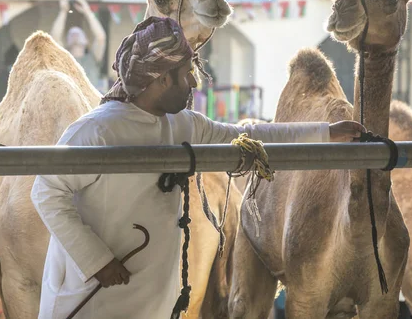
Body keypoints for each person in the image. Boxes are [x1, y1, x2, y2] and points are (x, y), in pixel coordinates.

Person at [31, 17, 365, 319]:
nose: (194, 82)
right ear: (162, 78)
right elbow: (45, 192)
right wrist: (96, 261)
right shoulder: (96, 131)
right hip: (92, 300)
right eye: (187, 73)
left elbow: (247, 135)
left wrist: (325, 132)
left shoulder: (181, 124)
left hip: (149, 299)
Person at [51, 0, 107, 91]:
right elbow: (55, 38)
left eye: (79, 33)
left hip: (90, 104)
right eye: (71, 34)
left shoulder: (93, 59)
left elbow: (100, 38)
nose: (75, 35)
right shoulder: (64, 58)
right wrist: (63, 11)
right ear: (67, 42)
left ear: (86, 41)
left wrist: (88, 12)